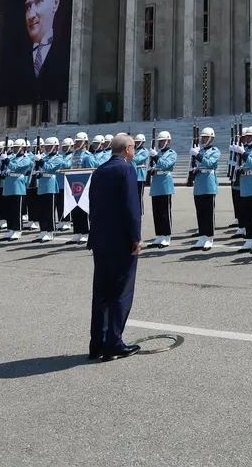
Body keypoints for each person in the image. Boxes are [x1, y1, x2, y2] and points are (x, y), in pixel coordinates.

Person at [87, 133, 142, 361]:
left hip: (100, 240)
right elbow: (132, 206)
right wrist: (136, 237)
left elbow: (92, 204)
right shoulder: (126, 169)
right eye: (133, 148)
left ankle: (97, 344)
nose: (134, 151)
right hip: (120, 241)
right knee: (120, 293)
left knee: (101, 294)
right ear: (128, 149)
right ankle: (114, 343)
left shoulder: (99, 171)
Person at [191, 127, 221, 251]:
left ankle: (209, 238)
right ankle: (202, 236)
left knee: (208, 213)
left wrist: (197, 155)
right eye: (202, 137)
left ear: (211, 138)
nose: (203, 139)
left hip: (208, 183)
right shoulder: (199, 150)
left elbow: (209, 163)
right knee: (200, 212)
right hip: (199, 183)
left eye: (205, 137)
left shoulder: (215, 151)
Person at [147, 131, 177, 248]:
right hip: (156, 184)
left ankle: (166, 236)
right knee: (157, 212)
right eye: (159, 141)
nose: (160, 143)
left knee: (165, 212)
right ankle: (159, 235)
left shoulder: (171, 153)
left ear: (168, 142)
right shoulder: (157, 153)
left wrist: (155, 157)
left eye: (162, 141)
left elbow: (165, 165)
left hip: (165, 184)